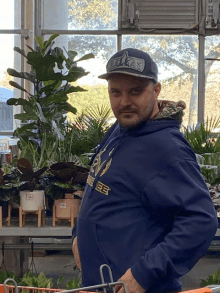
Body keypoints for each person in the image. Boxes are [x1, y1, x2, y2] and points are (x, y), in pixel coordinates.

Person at [72, 48, 218, 293]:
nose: (124, 102)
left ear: (156, 90)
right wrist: (78, 234)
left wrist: (143, 274)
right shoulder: (121, 128)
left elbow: (201, 221)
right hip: (101, 282)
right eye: (115, 92)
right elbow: (95, 185)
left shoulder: (166, 149)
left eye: (135, 91)